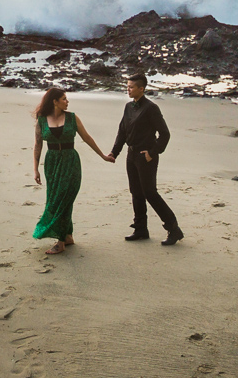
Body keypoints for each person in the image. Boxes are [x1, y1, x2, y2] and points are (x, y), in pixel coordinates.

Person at [31, 87, 113, 255]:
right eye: (64, 99)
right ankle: (67, 236)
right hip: (52, 163)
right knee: (55, 199)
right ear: (55, 101)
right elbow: (38, 144)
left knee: (65, 198)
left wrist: (103, 156)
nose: (67, 102)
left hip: (70, 161)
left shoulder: (72, 118)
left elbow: (87, 138)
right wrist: (35, 169)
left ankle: (60, 242)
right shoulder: (42, 120)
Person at [112, 73, 183, 244]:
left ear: (141, 89)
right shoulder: (129, 107)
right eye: (127, 86)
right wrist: (114, 153)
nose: (127, 89)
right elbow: (122, 131)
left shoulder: (151, 108)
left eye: (131, 87)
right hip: (131, 155)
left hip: (146, 157)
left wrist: (153, 152)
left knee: (150, 193)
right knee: (136, 193)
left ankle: (174, 229)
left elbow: (165, 134)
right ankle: (141, 229)